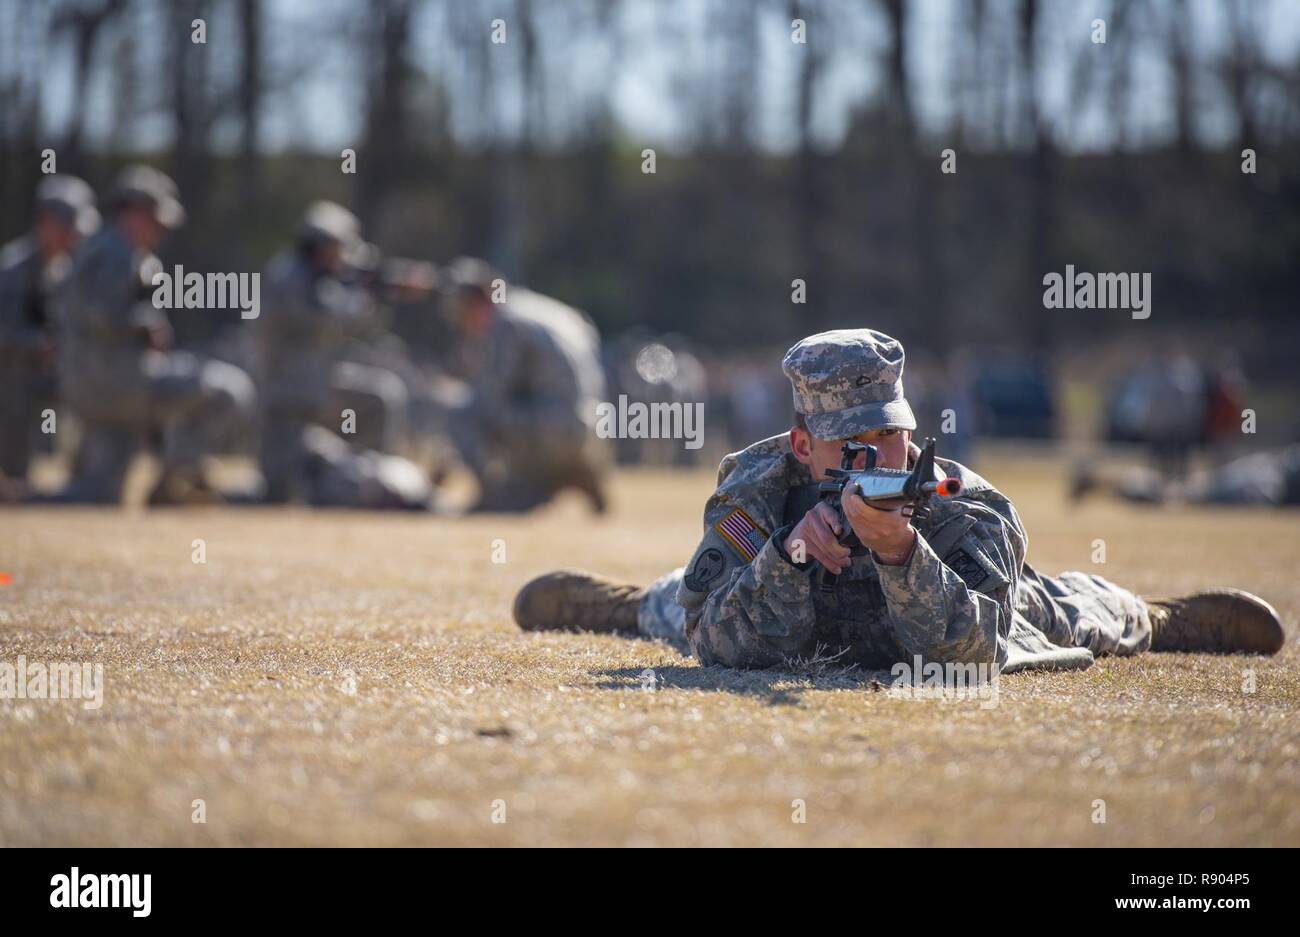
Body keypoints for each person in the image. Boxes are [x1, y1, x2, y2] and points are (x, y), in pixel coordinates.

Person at [513, 329, 1288, 671]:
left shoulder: (962, 506)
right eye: (847, 445)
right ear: (800, 446)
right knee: (677, 606)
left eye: (886, 436)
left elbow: (975, 653)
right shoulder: (756, 488)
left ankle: (1156, 614)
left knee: (1066, 608)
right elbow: (717, 640)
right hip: (777, 593)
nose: (874, 460)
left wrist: (899, 551)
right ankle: (617, 606)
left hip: (976, 608)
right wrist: (789, 555)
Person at [52, 166, 256, 505]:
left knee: (97, 495)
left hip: (103, 384)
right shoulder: (115, 253)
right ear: (133, 213)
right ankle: (176, 476)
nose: (162, 230)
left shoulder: (113, 251)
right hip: (117, 383)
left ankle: (25, 497)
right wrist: (145, 324)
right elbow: (99, 314)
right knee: (227, 389)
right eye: (156, 220)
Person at [254, 201, 416, 505]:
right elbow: (335, 317)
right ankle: (354, 482)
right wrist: (371, 294)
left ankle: (373, 480)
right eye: (338, 249)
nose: (342, 258)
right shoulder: (291, 277)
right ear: (321, 246)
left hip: (316, 385)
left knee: (380, 396)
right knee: (279, 491)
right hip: (289, 395)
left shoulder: (313, 277)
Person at [444, 257, 609, 513]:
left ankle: (499, 495)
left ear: (477, 303)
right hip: (591, 428)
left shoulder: (506, 322)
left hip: (551, 429)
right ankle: (570, 473)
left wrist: (444, 461)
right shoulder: (547, 309)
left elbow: (491, 395)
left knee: (459, 411)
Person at [0, 176, 99, 496]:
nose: (74, 235)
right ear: (45, 221)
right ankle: (13, 476)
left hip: (47, 372)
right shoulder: (12, 271)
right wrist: (39, 344)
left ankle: (87, 478)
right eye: (67, 225)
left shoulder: (65, 270)